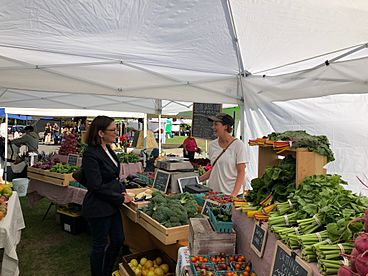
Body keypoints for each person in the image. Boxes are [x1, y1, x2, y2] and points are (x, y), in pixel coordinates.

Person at [81, 115, 132, 276]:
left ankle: (107, 271)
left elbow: (112, 177)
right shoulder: (90, 153)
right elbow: (96, 186)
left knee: (118, 240)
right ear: (101, 133)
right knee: (99, 245)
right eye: (113, 130)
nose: (117, 132)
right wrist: (120, 198)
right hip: (98, 207)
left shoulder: (108, 149)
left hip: (111, 205)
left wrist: (122, 190)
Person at [199, 113, 248, 196]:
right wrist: (197, 179)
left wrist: (233, 195)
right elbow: (215, 169)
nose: (213, 127)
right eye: (213, 124)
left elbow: (241, 172)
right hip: (213, 193)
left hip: (231, 194)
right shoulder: (212, 145)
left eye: (216, 124)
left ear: (225, 126)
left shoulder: (238, 145)